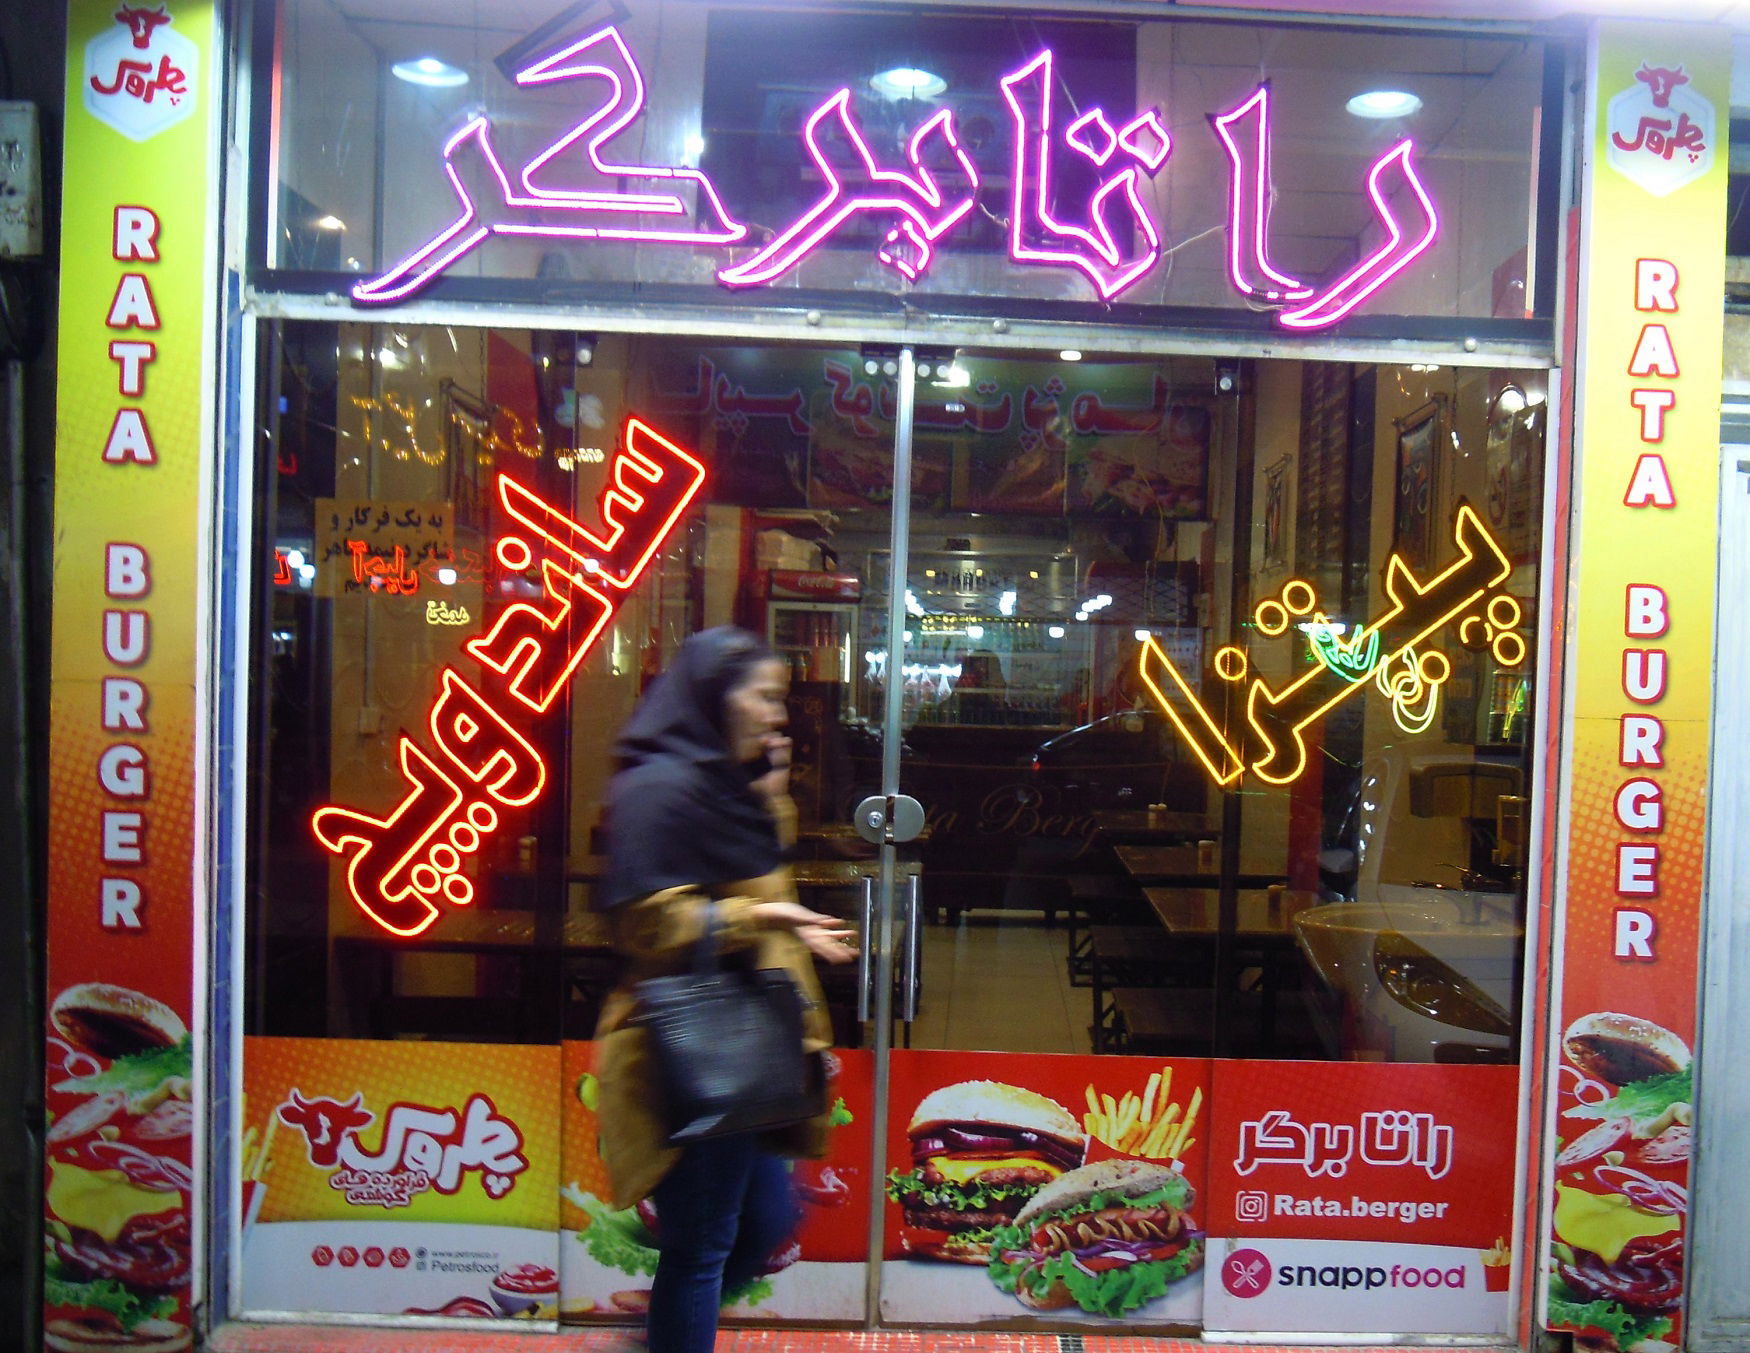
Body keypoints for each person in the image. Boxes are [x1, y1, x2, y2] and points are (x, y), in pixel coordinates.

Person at [594, 627, 856, 1353]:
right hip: (687, 1048)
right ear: (714, 697)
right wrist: (760, 917)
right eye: (763, 696)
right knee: (705, 1242)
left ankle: (665, 1329)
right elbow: (645, 923)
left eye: (781, 697)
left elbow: (755, 873)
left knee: (763, 1223)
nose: (778, 714)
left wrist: (769, 797)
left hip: (748, 1043)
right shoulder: (656, 790)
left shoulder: (725, 788)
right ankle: (673, 1329)